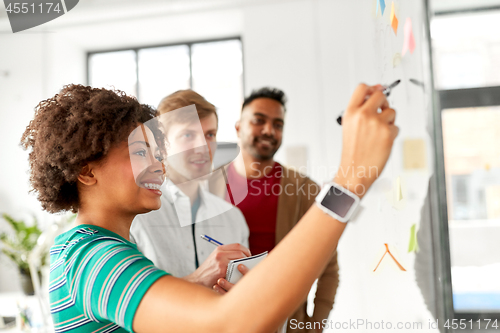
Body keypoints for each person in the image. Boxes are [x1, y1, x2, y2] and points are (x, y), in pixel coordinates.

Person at [24, 83, 397, 333]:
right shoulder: (89, 256)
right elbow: (227, 322)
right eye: (140, 153)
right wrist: (348, 182)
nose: (157, 164)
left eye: (156, 153)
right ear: (87, 171)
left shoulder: (108, 249)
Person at [210, 87, 339, 332]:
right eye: (259, 121)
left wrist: (314, 326)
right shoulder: (209, 186)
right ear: (238, 127)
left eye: (278, 124)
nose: (269, 130)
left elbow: (329, 266)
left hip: (284, 321)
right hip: (221, 318)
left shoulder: (304, 189)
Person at [130, 90, 250, 288]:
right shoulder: (136, 217)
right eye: (188, 135)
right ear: (162, 144)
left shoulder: (233, 219)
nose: (203, 147)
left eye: (209, 134)